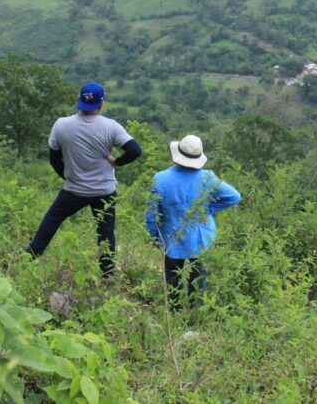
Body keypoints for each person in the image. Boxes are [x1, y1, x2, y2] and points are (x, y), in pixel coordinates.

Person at [27, 82, 142, 276]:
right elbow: (135, 150)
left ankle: (30, 257)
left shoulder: (62, 125)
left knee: (52, 219)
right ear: (101, 103)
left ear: (80, 101)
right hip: (104, 191)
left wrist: (67, 175)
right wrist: (116, 162)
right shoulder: (110, 127)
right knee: (105, 230)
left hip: (74, 190)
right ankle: (106, 271)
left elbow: (54, 157)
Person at [145, 134, 241, 308]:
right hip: (199, 237)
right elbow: (234, 196)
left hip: (171, 237)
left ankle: (174, 309)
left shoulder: (160, 179)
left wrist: (154, 237)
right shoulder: (208, 178)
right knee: (198, 277)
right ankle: (195, 309)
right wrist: (209, 210)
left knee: (173, 277)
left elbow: (152, 214)